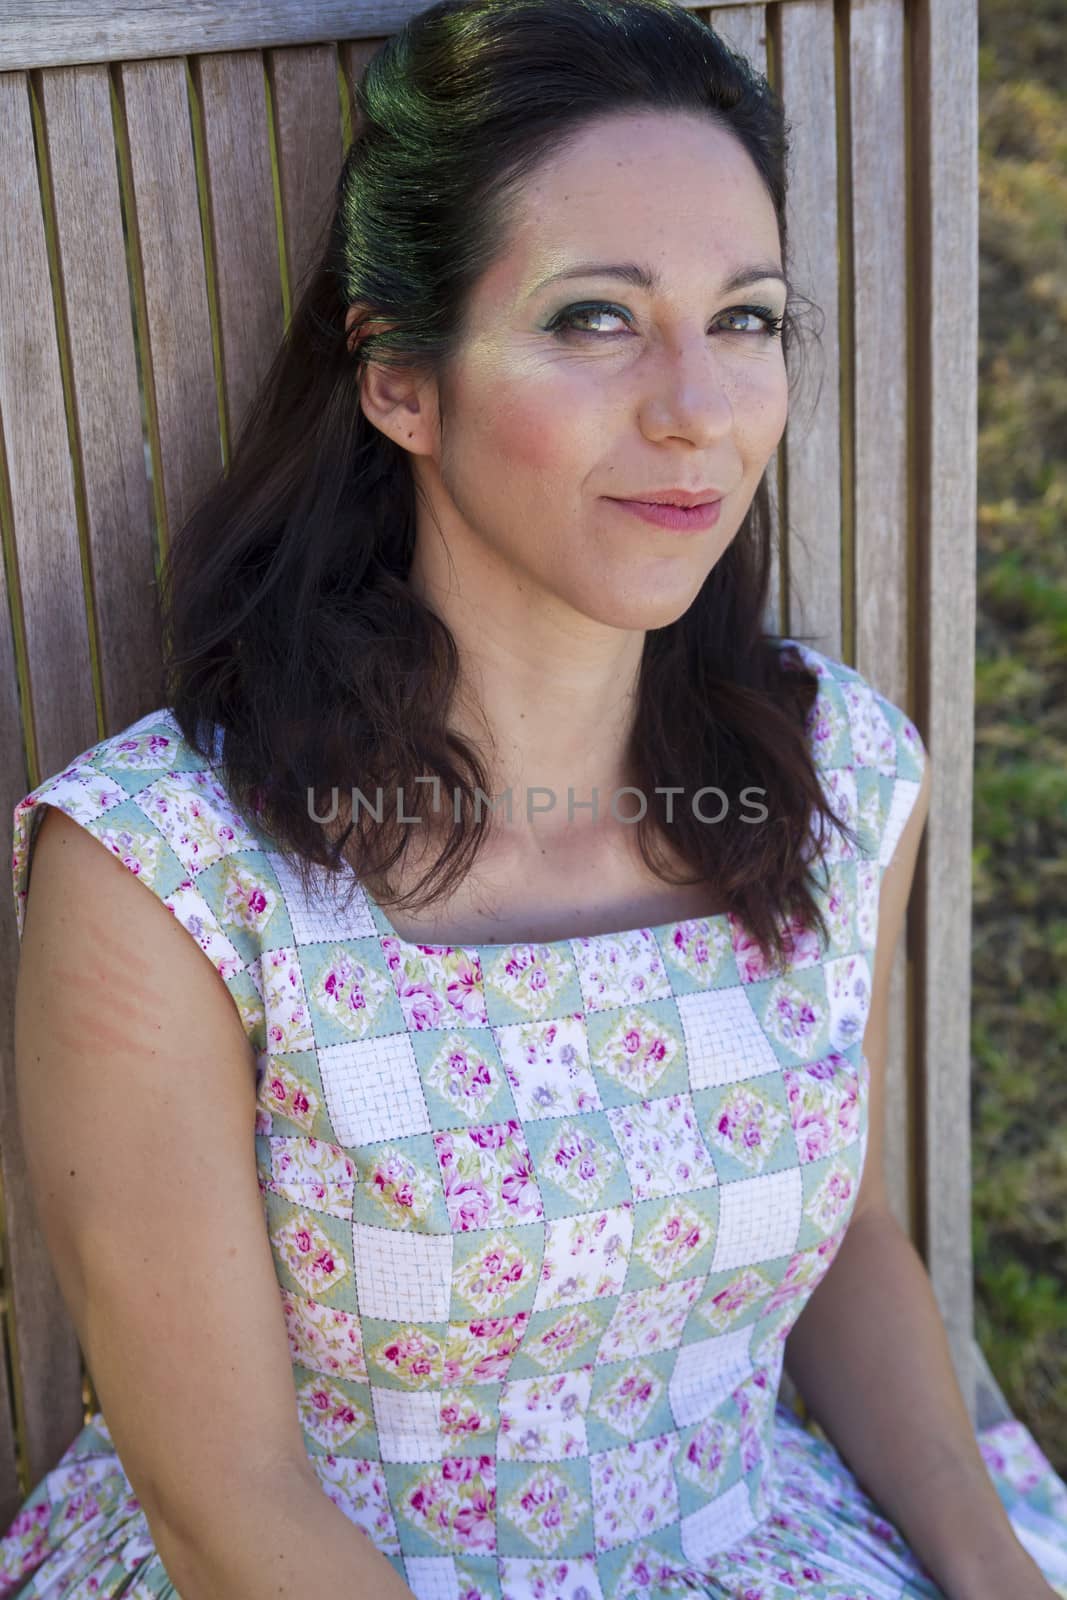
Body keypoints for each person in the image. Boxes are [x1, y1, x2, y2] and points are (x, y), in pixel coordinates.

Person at [3, 0, 1066, 1596]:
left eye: (750, 320)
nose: (698, 408)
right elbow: (227, 1508)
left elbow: (842, 1243)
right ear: (400, 384)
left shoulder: (833, 771)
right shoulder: (171, 877)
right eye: (592, 319)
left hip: (754, 1543)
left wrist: (994, 1580)